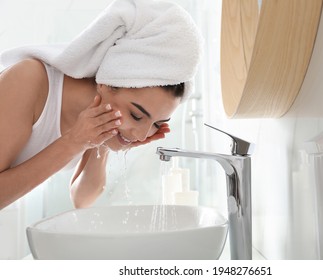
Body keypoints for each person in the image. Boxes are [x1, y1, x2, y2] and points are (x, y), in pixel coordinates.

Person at [0, 0, 203, 210]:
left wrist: (104, 140)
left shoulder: (96, 116)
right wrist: (73, 142)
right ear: (106, 83)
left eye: (157, 124)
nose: (143, 135)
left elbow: (82, 199)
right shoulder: (28, 80)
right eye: (136, 115)